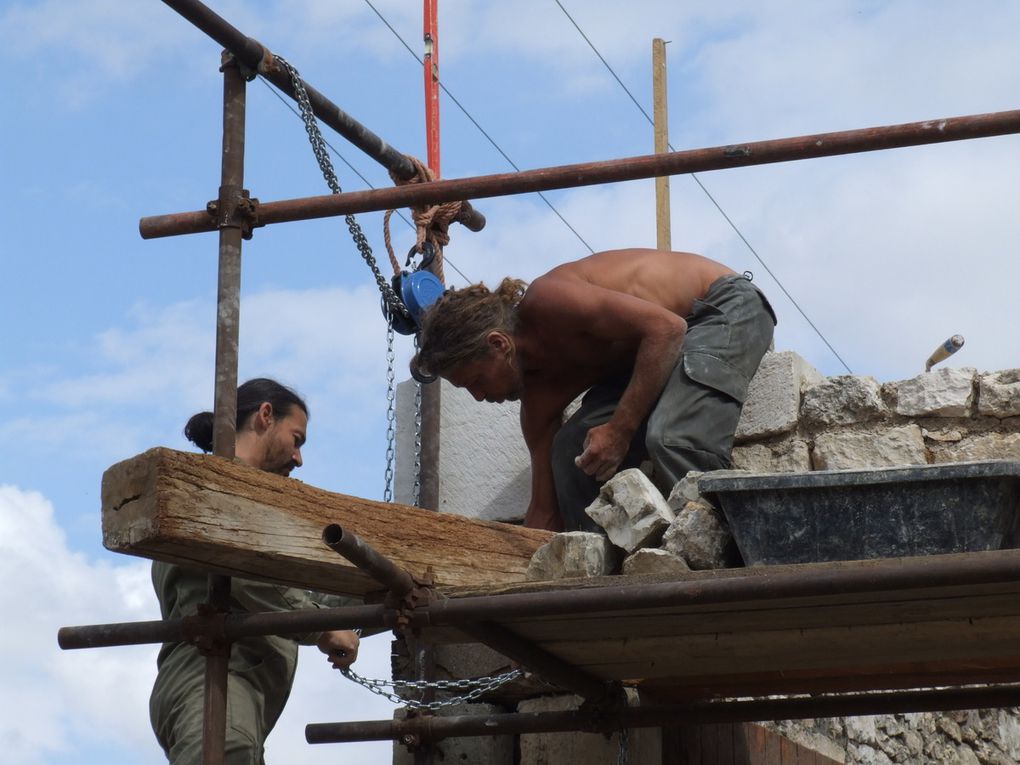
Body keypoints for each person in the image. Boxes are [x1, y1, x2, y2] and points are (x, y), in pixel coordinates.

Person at [411, 248, 776, 532]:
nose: (479, 397)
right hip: (650, 353)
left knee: (671, 435)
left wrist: (620, 429)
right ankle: (609, 568)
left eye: (476, 382)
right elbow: (544, 509)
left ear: (498, 344)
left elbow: (666, 330)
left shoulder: (549, 302)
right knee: (571, 450)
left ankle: (729, 546)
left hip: (718, 307)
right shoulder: (538, 401)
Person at [149, 378, 361, 764]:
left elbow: (293, 595)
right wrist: (324, 627)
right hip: (212, 679)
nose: (299, 459)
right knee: (227, 750)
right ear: (265, 416)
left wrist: (374, 601)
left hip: (230, 685)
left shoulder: (240, 501)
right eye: (297, 439)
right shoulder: (217, 489)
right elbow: (243, 572)